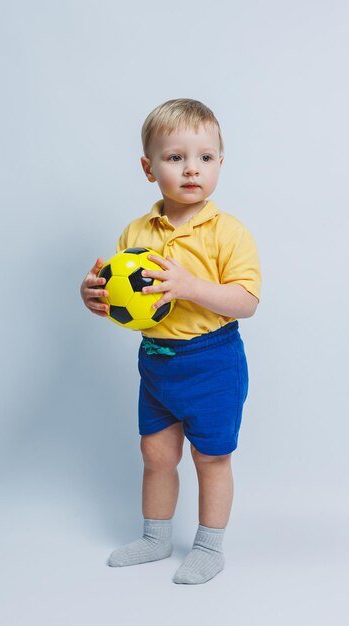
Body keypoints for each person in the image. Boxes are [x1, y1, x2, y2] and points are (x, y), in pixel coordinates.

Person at [80, 98, 261, 584]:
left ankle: (208, 546)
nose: (191, 169)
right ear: (148, 167)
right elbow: (122, 296)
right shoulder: (136, 233)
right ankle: (156, 538)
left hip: (213, 360)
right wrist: (94, 296)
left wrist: (189, 286)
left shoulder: (228, 232)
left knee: (212, 455)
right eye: (175, 157)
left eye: (204, 157)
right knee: (156, 454)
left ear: (221, 163)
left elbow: (246, 301)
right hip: (156, 361)